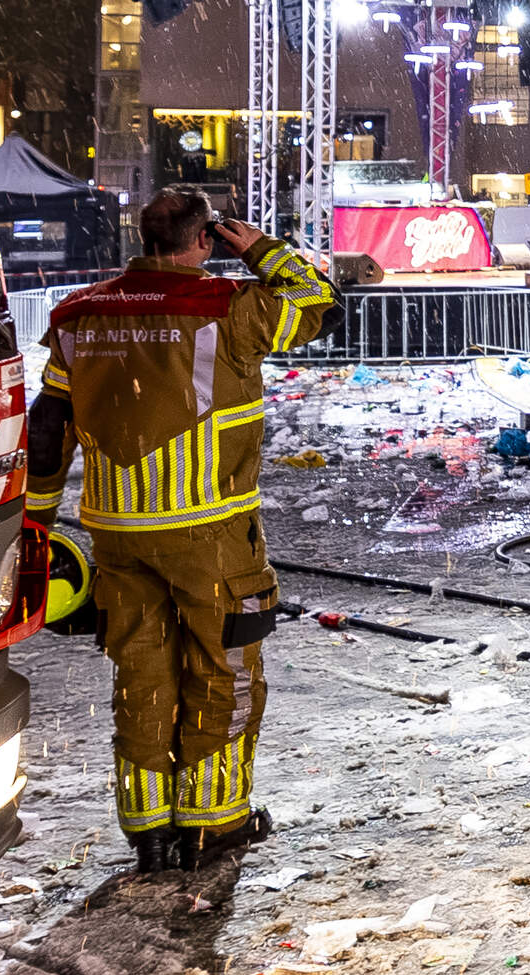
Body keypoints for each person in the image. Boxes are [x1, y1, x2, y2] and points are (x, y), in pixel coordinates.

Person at [25, 187, 345, 871]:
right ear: (205, 240)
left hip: (117, 533)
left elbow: (48, 426)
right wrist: (260, 248)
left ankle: (148, 830)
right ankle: (213, 824)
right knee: (222, 673)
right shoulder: (228, 309)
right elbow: (320, 300)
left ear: (141, 238)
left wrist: (37, 523)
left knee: (141, 673)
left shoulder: (80, 313)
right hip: (209, 533)